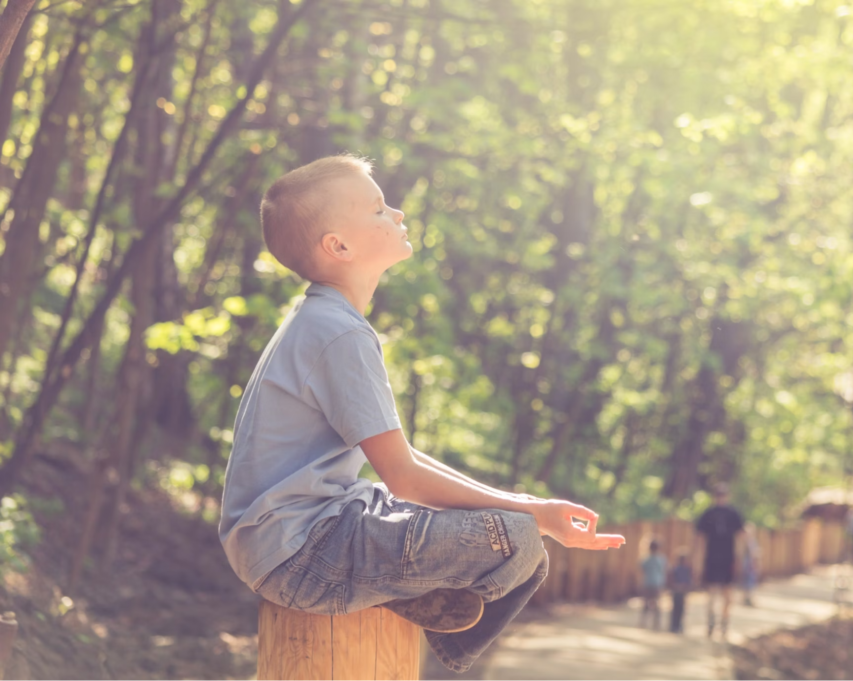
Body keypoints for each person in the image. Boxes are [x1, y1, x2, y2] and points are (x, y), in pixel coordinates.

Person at [218, 154, 625, 673]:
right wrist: (531, 515)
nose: (398, 213)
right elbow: (404, 477)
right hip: (301, 554)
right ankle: (440, 645)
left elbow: (401, 459)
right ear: (338, 246)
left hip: (308, 534)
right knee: (515, 538)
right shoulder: (337, 332)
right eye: (378, 208)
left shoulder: (325, 319)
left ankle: (405, 597)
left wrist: (526, 501)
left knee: (515, 525)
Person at [694, 483, 745, 639]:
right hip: (711, 558)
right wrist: (698, 562)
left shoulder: (734, 514)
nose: (721, 498)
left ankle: (724, 622)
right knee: (711, 593)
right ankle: (711, 622)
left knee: (727, 594)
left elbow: (740, 538)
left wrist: (739, 559)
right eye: (718, 495)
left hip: (728, 558)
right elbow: (700, 540)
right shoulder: (708, 514)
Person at [639, 540, 668, 629]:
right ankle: (656, 624)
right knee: (656, 604)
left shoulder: (646, 558)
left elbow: (642, 569)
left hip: (648, 583)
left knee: (646, 604)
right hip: (657, 583)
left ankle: (644, 623)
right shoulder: (661, 559)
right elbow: (664, 570)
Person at [668, 550, 693, 634]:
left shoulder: (686, 569)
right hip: (677, 591)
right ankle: (674, 626)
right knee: (676, 609)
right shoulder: (676, 568)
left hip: (682, 592)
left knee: (681, 609)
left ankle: (679, 626)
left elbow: (689, 580)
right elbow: (671, 579)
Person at [741, 522, 760, 607]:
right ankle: (745, 598)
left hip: (750, 565)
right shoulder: (744, 542)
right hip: (746, 565)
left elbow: (755, 554)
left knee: (750, 582)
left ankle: (748, 598)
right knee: (745, 582)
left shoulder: (752, 542)